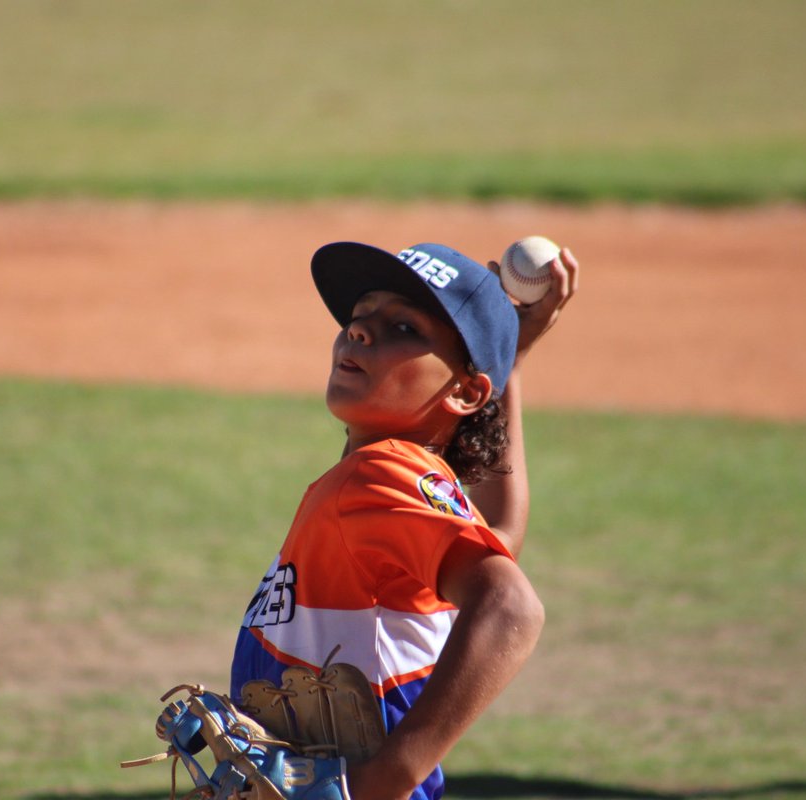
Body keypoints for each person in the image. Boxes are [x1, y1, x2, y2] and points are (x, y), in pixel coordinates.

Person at [230, 240, 579, 800]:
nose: (360, 331)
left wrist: (379, 782)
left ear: (466, 391)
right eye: (361, 316)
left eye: (404, 328)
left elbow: (510, 605)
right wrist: (505, 367)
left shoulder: (378, 474)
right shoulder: (408, 481)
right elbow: (499, 538)